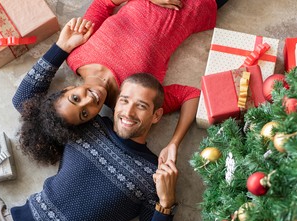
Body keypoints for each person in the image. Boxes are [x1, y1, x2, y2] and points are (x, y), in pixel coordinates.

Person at [0, 70, 178, 221]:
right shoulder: (88, 125)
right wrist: (62, 47)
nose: (129, 112)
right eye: (124, 101)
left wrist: (166, 204)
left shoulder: (155, 174)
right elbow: (23, 101)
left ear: (157, 115)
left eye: (141, 106)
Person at [12, 0, 227, 167]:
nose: (89, 100)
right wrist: (173, 144)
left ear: (68, 89)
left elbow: (104, 4)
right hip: (197, 6)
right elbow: (189, 95)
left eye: (75, 98)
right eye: (85, 113)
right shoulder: (131, 100)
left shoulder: (76, 55)